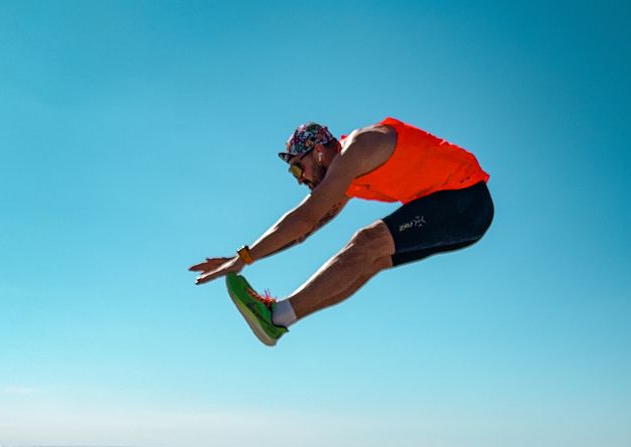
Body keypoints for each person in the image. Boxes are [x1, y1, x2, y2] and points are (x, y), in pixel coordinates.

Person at [189, 117, 494, 347]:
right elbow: (302, 232)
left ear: (318, 151)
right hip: (460, 217)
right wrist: (239, 257)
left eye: (298, 168)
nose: (299, 179)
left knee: (367, 242)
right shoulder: (346, 176)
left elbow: (304, 218)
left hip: (465, 199)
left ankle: (277, 315)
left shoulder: (358, 149)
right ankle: (278, 319)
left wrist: (244, 258)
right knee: (368, 260)